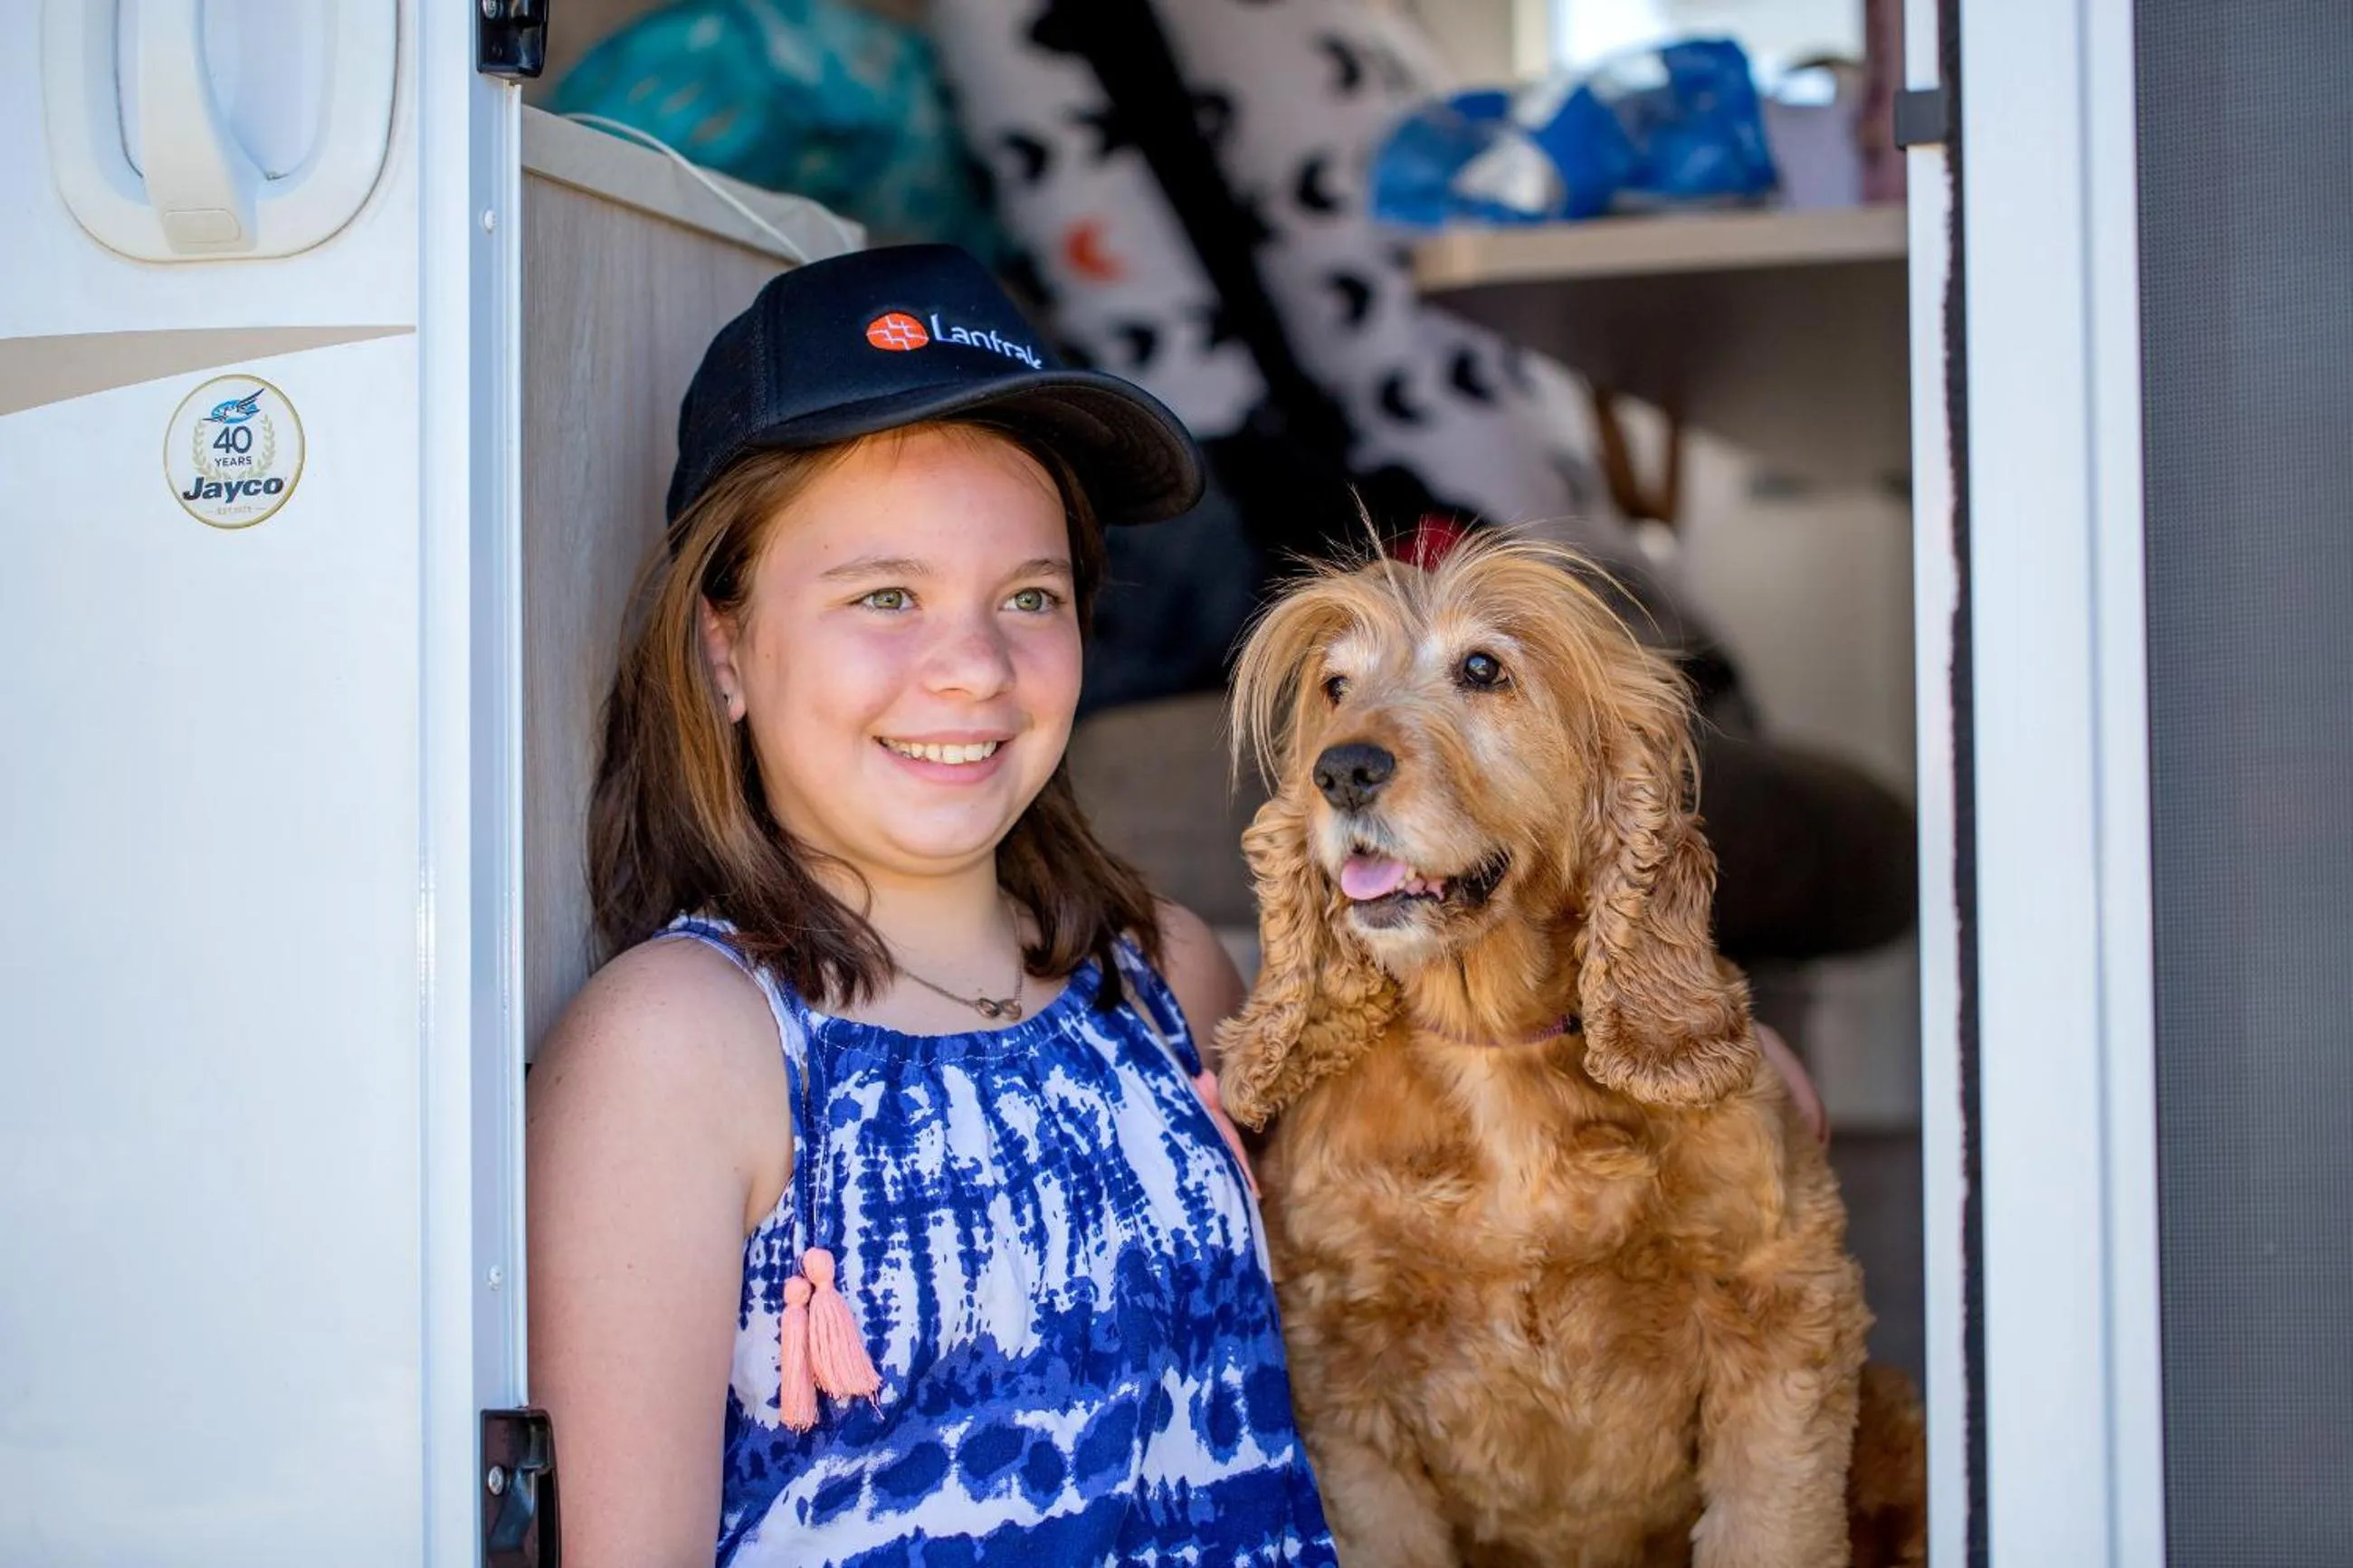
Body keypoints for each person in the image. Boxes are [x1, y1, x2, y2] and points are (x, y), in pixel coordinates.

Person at [527, 245, 1337, 1566]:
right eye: (886, 597)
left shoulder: (1164, 976)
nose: (972, 668)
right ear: (724, 648)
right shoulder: (686, 1048)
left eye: (1030, 597)